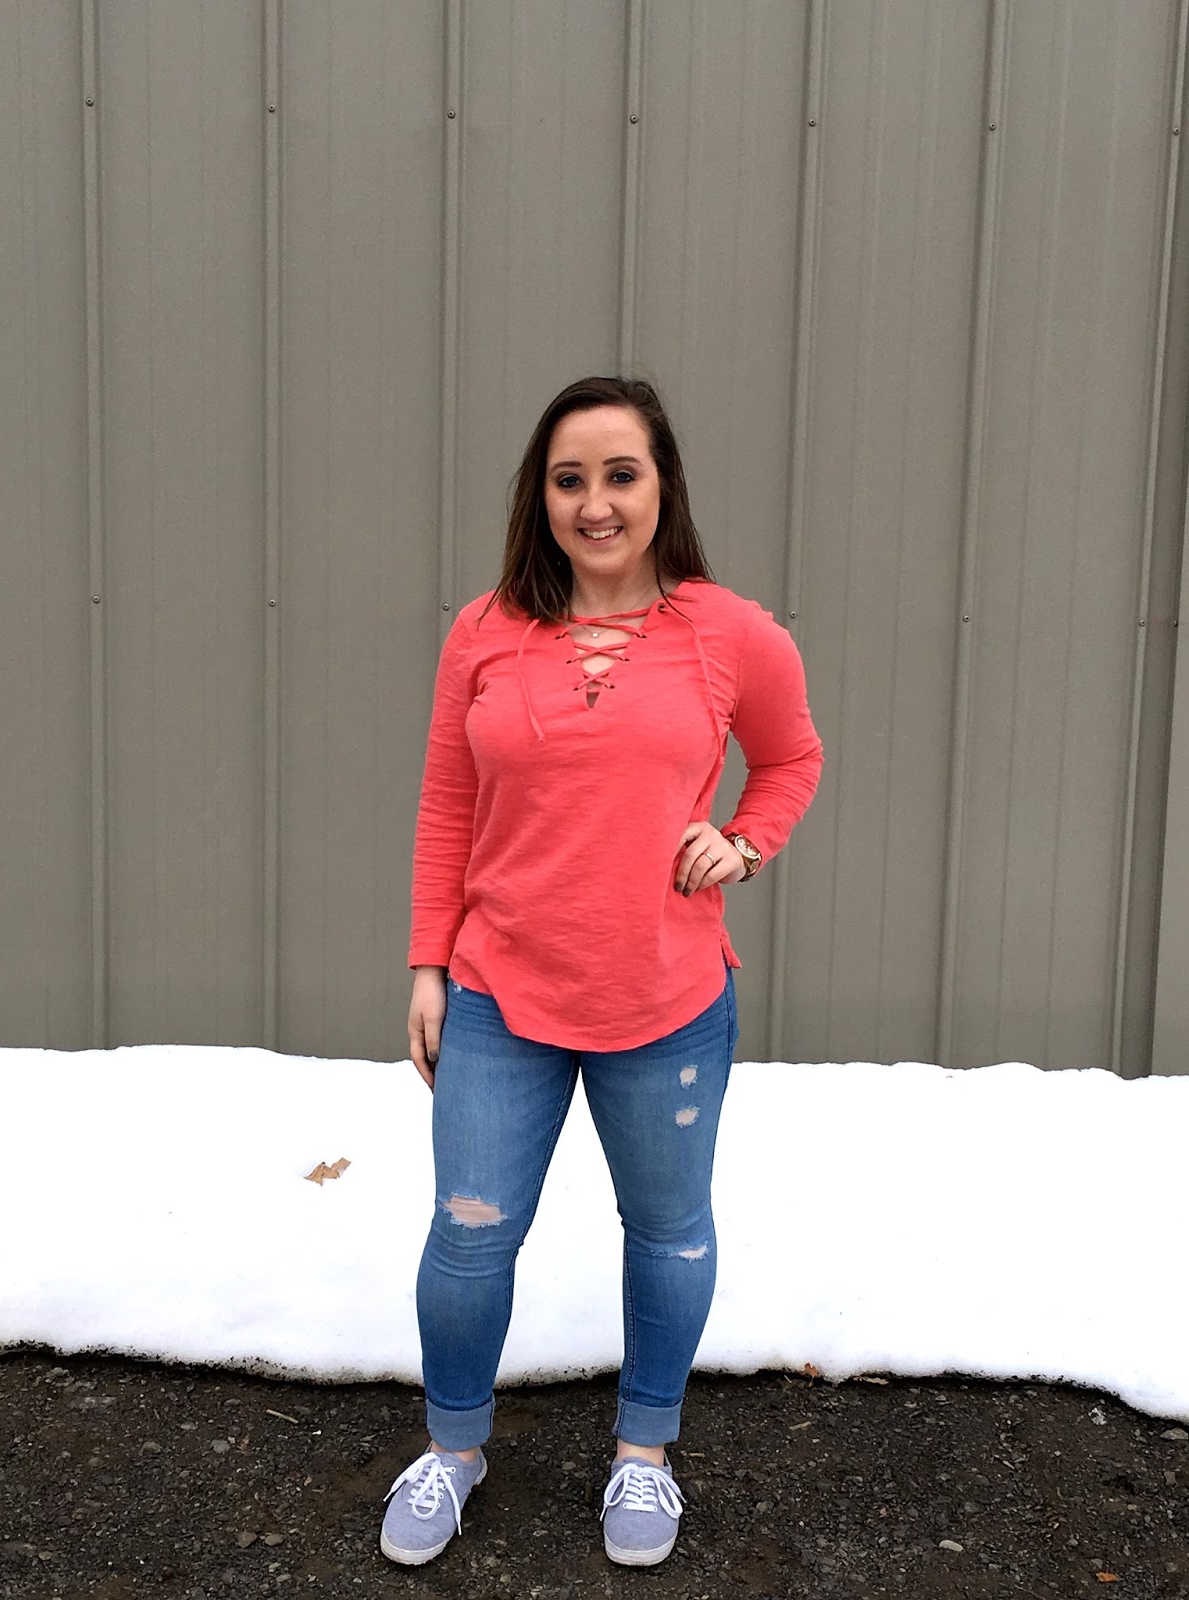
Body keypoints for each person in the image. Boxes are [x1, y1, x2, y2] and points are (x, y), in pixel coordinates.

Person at [380, 376, 823, 1568]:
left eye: (621, 474)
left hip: (666, 998)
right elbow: (447, 805)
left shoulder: (730, 632)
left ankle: (645, 1452)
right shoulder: (485, 631)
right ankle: (454, 1447)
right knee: (469, 1234)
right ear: (541, 495)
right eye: (569, 479)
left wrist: (745, 842)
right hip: (500, 992)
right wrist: (428, 962)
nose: (596, 503)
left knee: (667, 1232)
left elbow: (792, 757)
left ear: (661, 483)